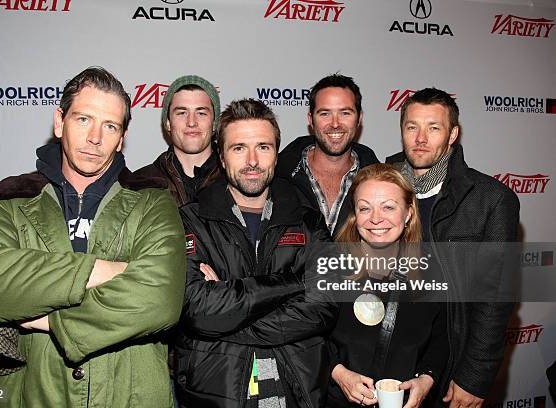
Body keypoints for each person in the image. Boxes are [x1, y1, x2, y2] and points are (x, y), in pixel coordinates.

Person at [0, 67, 186, 407]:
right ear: (60, 122)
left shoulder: (152, 200)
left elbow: (160, 297)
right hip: (32, 395)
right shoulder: (13, 199)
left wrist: (48, 319)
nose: (95, 138)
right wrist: (101, 270)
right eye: (84, 119)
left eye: (110, 126)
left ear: (122, 137)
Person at [174, 98, 338, 407]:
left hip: (297, 390)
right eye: (239, 148)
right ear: (221, 157)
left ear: (276, 154)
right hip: (216, 393)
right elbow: (198, 310)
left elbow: (325, 305)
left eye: (263, 147)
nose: (252, 160)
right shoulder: (191, 220)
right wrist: (296, 282)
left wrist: (228, 310)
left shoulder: (307, 220)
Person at [386, 88, 520, 408]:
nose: (421, 138)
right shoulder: (378, 185)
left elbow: (495, 299)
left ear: (452, 134)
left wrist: (473, 377)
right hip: (387, 364)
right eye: (412, 127)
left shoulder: (491, 200)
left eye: (434, 128)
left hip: (449, 368)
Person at [327, 163, 447, 408]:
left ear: (408, 213)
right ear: (355, 214)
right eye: (365, 208)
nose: (375, 219)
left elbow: (442, 338)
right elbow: (308, 336)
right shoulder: (331, 266)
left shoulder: (432, 270)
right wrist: (338, 373)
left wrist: (427, 378)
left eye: (388, 207)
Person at [276, 74, 379, 236]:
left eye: (345, 113)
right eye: (325, 114)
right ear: (311, 119)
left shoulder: (380, 182)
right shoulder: (277, 177)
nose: (335, 123)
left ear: (359, 118)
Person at [135, 75, 221, 206]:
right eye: (182, 113)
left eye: (201, 113)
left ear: (214, 123)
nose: (191, 122)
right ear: (168, 123)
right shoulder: (142, 184)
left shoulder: (236, 180)